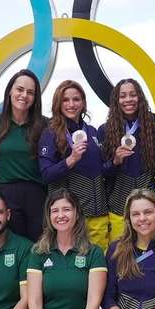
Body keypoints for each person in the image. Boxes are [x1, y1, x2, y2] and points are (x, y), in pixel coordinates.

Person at [38, 80, 110, 250]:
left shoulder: (91, 131)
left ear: (83, 103)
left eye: (76, 99)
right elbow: (46, 174)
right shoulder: (50, 133)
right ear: (58, 103)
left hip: (98, 215)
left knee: (99, 266)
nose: (71, 104)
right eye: (65, 100)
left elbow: (101, 170)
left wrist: (115, 161)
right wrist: (71, 160)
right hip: (70, 219)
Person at [98, 78, 155, 242]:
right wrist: (115, 161)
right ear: (116, 101)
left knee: (148, 250)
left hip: (147, 205)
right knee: (119, 253)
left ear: (140, 98)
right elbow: (102, 171)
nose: (128, 100)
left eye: (133, 95)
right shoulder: (105, 130)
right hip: (118, 205)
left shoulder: (153, 129)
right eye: (123, 96)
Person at [0, 69, 48, 242]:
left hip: (37, 196)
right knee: (10, 249)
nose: (24, 95)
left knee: (36, 249)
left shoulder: (45, 125)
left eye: (30, 92)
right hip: (6, 194)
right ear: (10, 91)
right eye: (20, 89)